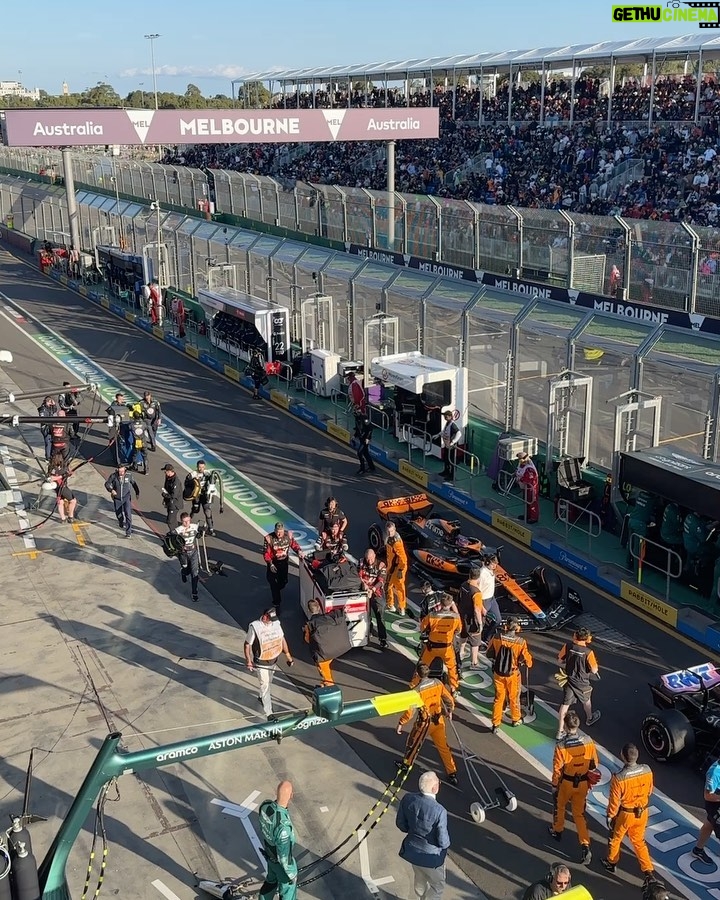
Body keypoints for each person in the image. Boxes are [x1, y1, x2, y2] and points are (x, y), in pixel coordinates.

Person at [549, 710, 600, 865]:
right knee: (579, 814)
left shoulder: (561, 746)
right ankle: (585, 845)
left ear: (565, 725)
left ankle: (557, 831)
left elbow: (557, 769)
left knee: (560, 806)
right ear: (578, 725)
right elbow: (594, 764)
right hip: (583, 783)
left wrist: (554, 785)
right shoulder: (588, 741)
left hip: (567, 783)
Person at [397, 663, 459, 786]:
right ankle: (452, 772)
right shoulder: (437, 683)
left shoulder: (417, 690)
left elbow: (411, 711)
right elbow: (448, 698)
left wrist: (401, 722)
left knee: (413, 744)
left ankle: (406, 765)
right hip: (438, 720)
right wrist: (450, 710)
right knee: (444, 748)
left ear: (418, 674)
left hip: (424, 724)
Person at [602, 743, 655, 884]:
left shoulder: (619, 778)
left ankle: (611, 863)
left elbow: (614, 801)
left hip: (626, 814)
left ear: (622, 756)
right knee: (639, 842)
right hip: (643, 812)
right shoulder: (647, 770)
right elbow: (650, 790)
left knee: (615, 838)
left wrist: (611, 815)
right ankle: (648, 872)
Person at [395, 770, 450, 900]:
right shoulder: (440, 811)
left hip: (413, 851)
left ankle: (420, 897)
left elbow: (401, 824)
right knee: (437, 886)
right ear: (435, 788)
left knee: (419, 879)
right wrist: (447, 844)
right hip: (432, 857)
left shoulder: (408, 798)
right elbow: (443, 841)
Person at [245, 608, 294, 721]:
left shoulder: (276, 624)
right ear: (265, 617)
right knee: (265, 685)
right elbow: (247, 645)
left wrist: (288, 656)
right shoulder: (254, 627)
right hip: (261, 662)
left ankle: (261, 697)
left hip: (273, 660)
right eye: (270, 619)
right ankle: (269, 712)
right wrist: (249, 661)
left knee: (268, 682)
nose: (272, 621)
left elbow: (282, 639)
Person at [486, 616, 533, 733]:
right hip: (513, 674)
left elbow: (488, 652)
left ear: (506, 626)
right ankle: (515, 719)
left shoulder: (497, 637)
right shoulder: (520, 642)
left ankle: (496, 723)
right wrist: (527, 662)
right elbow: (528, 661)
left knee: (498, 698)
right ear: (516, 627)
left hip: (498, 673)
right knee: (513, 697)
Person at [556, 627, 601, 740]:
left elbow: (560, 660)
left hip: (569, 680)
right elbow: (594, 670)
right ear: (587, 639)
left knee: (565, 705)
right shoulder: (588, 652)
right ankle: (590, 718)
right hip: (582, 682)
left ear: (576, 636)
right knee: (586, 701)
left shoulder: (568, 646)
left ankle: (560, 731)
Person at [258, 781, 297, 900]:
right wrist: (291, 874)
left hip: (270, 857)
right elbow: (284, 856)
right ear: (291, 795)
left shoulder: (265, 806)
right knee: (287, 892)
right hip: (280, 865)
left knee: (270, 882)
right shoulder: (283, 826)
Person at [419, 593, 462, 693]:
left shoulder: (432, 615)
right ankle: (454, 688)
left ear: (441, 604)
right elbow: (458, 630)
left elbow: (422, 628)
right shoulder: (456, 617)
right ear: (451, 604)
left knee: (422, 666)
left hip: (432, 647)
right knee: (452, 668)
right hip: (447, 648)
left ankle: (414, 684)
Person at [303, 598, 350, 685]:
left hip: (322, 654)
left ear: (308, 610)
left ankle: (329, 687)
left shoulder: (310, 625)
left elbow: (307, 639)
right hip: (333, 650)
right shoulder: (327, 618)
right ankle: (324, 683)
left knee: (326, 674)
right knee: (325, 670)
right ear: (319, 608)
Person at [263, 522, 304, 607]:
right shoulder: (269, 538)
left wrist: (299, 551)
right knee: (273, 582)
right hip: (274, 563)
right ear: (274, 530)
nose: (279, 533)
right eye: (277, 531)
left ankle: (277, 589)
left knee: (284, 581)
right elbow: (266, 553)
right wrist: (270, 564)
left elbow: (294, 545)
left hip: (284, 562)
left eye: (281, 531)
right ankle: (276, 602)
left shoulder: (288, 536)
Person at [692, 756, 720, 864]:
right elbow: (708, 796)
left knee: (709, 823)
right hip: (715, 806)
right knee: (712, 821)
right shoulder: (715, 772)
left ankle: (698, 850)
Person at [456, 567, 485, 670]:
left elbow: (459, 599)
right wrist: (480, 624)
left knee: (463, 634)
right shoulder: (476, 592)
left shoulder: (463, 585)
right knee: (475, 641)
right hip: (472, 620)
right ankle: (474, 663)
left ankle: (461, 652)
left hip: (462, 615)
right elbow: (477, 610)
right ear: (478, 577)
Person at [358, 547, 387, 649]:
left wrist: (372, 589)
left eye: (371, 558)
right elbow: (357, 575)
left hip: (376, 593)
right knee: (365, 615)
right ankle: (367, 632)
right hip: (364, 592)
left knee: (380, 615)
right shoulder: (361, 562)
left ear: (374, 556)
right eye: (367, 559)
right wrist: (363, 584)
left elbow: (381, 581)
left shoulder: (381, 565)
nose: (369, 561)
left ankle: (382, 639)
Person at [174, 511, 205, 602]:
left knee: (194, 572)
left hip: (193, 552)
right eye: (184, 521)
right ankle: (183, 572)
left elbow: (200, 533)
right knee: (186, 569)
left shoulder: (194, 526)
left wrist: (202, 531)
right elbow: (170, 536)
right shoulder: (178, 529)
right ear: (181, 521)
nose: (186, 523)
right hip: (183, 553)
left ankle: (194, 593)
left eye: (188, 521)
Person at [104, 463, 140, 537]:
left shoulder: (129, 476)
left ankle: (128, 532)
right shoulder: (113, 476)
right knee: (119, 514)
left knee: (128, 514)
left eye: (122, 471)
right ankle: (121, 521)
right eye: (119, 471)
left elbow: (134, 484)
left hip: (126, 498)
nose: (121, 473)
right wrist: (111, 490)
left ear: (125, 470)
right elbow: (107, 484)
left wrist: (137, 493)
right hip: (117, 499)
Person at [187, 460, 217, 535]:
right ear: (197, 467)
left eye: (202, 467)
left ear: (205, 467)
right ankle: (187, 522)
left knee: (207, 511)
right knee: (195, 509)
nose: (201, 469)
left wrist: (213, 479)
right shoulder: (193, 474)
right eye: (199, 467)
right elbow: (186, 483)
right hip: (197, 495)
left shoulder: (208, 473)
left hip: (205, 495)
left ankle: (211, 528)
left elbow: (214, 481)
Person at [478, 554, 503, 642]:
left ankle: (486, 638)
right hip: (484, 600)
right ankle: (478, 640)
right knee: (481, 622)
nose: (495, 566)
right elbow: (478, 592)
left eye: (496, 564)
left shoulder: (491, 571)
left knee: (498, 619)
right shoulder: (482, 574)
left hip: (491, 598)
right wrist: (481, 606)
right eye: (493, 564)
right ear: (488, 562)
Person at [385, 520, 408, 615]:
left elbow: (403, 558)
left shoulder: (396, 542)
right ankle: (394, 605)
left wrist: (400, 570)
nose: (390, 533)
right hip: (393, 566)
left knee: (396, 586)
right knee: (390, 586)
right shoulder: (389, 539)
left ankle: (398, 606)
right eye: (388, 531)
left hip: (397, 567)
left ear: (395, 529)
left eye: (391, 531)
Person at [48, 452, 77, 523]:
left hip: (58, 487)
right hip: (61, 487)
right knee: (73, 501)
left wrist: (69, 474)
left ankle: (63, 518)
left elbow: (68, 473)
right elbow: (51, 478)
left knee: (61, 502)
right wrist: (62, 476)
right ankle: (70, 516)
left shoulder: (60, 466)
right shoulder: (53, 467)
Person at [435, 410, 461, 482]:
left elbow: (459, 434)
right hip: (447, 445)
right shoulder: (447, 423)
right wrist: (438, 435)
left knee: (451, 460)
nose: (445, 417)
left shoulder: (452, 425)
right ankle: (446, 471)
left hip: (451, 447)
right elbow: (444, 431)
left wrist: (453, 442)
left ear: (450, 417)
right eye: (444, 416)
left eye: (446, 416)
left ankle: (452, 475)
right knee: (446, 459)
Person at [516, 451, 540, 524]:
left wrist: (520, 479)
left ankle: (534, 517)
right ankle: (527, 515)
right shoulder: (522, 465)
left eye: (520, 458)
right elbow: (518, 471)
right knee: (527, 502)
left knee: (532, 502)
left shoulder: (529, 468)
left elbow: (529, 479)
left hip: (531, 488)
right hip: (525, 488)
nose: (519, 460)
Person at [160, 463, 181, 528]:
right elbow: (166, 488)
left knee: (170, 521)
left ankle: (174, 534)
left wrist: (164, 495)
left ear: (169, 471)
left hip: (174, 504)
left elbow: (174, 495)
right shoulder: (168, 478)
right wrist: (165, 499)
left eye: (165, 471)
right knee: (172, 520)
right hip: (169, 502)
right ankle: (175, 534)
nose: (164, 473)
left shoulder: (176, 482)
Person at [37, 395, 56, 459]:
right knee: (48, 442)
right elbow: (43, 420)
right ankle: (48, 457)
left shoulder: (50, 407)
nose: (50, 403)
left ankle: (51, 455)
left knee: (52, 441)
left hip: (51, 427)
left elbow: (54, 410)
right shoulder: (42, 409)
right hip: (45, 428)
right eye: (48, 402)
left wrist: (54, 405)